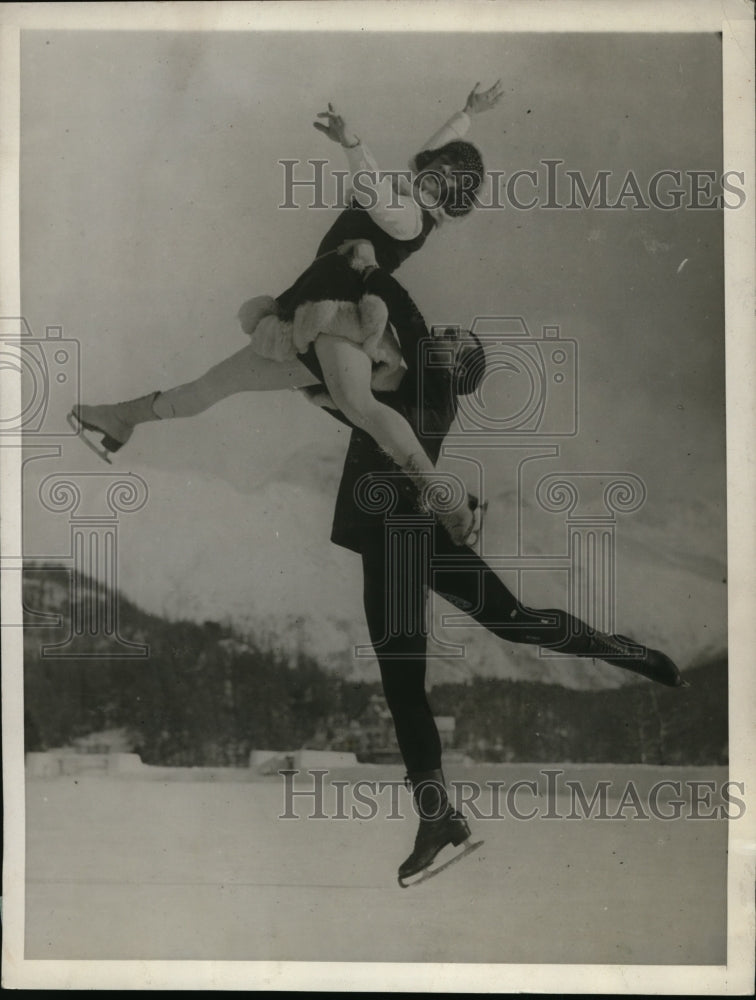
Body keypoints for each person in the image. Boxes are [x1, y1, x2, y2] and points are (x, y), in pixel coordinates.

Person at [310, 262, 686, 885]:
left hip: (395, 536)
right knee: (513, 623)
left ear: (454, 364)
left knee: (406, 683)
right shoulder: (417, 392)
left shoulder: (427, 383)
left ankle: (438, 822)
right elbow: (355, 401)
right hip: (410, 530)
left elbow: (402, 312)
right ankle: (625, 651)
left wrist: (370, 267)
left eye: (453, 339)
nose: (443, 333)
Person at [69, 82, 504, 545]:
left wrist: (352, 143)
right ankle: (121, 418)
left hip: (339, 315)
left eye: (444, 180)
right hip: (306, 318)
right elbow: (430, 152)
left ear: (448, 199)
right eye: (436, 169)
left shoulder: (408, 216)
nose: (433, 175)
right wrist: (466, 113)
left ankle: (456, 509)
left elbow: (374, 192)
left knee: (363, 409)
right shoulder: (414, 195)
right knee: (214, 385)